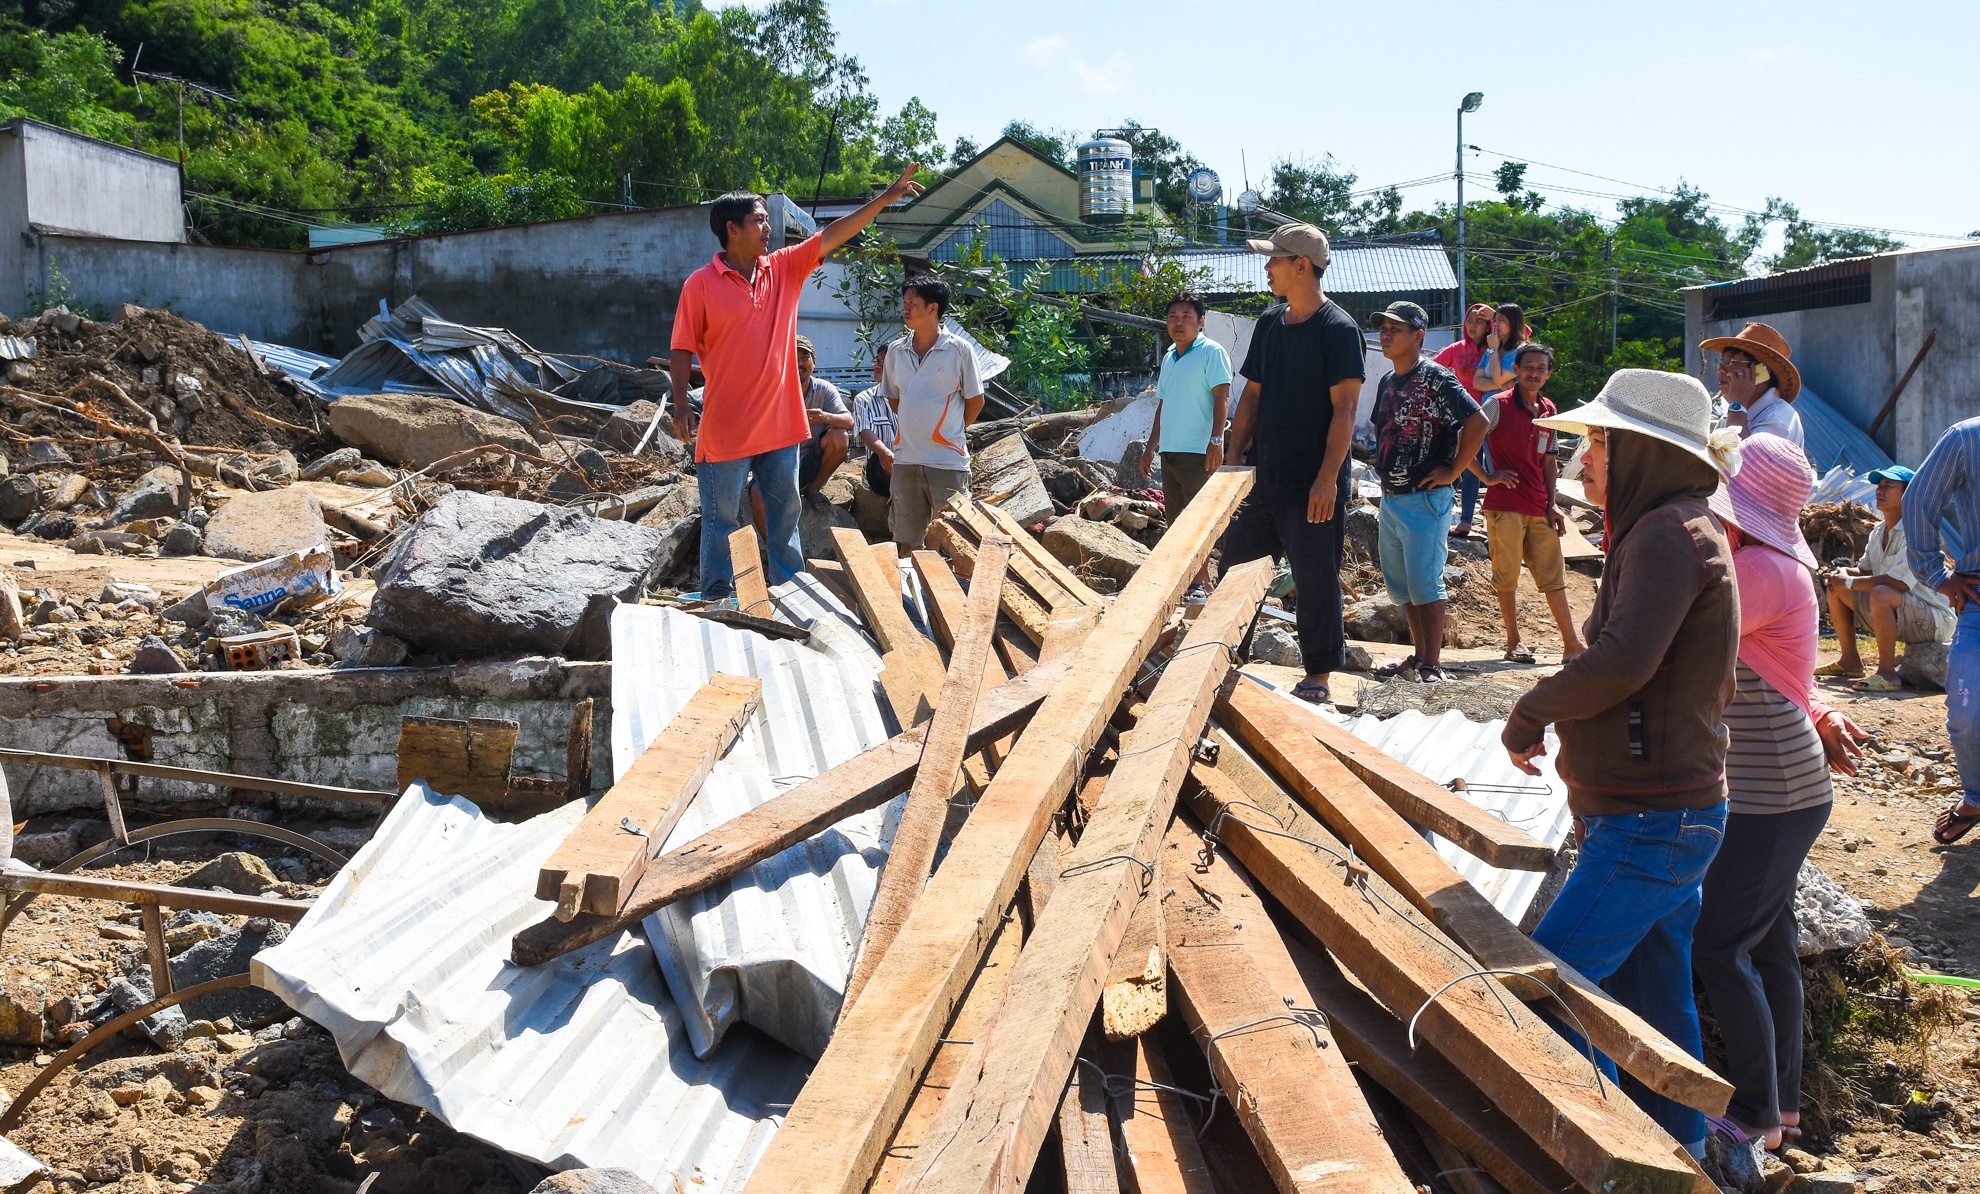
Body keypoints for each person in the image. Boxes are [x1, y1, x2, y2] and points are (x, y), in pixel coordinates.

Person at [1502, 368, 1744, 1159]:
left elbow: (1622, 661)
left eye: (1601, 442)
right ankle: (1683, 1159)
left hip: (1651, 822)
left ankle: (1602, 1161)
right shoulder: (1670, 527)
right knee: (1652, 1010)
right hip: (1658, 814)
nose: (1585, 460)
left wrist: (1532, 709)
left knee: (1554, 992)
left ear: (1643, 451)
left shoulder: (1669, 536)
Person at [1693, 433, 1866, 1174]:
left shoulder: (1756, 569)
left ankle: (1757, 1115)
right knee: (1767, 945)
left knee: (1719, 947)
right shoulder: (1779, 559)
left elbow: (1681, 644)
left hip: (1770, 791)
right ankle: (1782, 1107)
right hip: (1785, 785)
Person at [668, 165, 923, 598]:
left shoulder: (783, 269)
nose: (768, 227)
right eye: (759, 220)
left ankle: (791, 592)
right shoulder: (700, 286)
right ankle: (716, 594)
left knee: (787, 513)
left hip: (779, 427)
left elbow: (832, 234)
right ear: (732, 229)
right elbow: (680, 348)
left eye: (767, 218)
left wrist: (882, 201)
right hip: (726, 428)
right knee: (722, 518)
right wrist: (678, 405)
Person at [1221, 223, 1367, 705]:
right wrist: (1234, 458)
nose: (1267, 268)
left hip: (1313, 485)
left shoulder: (1339, 330)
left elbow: (1345, 410)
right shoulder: (1269, 323)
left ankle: (1319, 675)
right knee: (1236, 566)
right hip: (1266, 476)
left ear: (1301, 266)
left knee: (1314, 577)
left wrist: (1328, 479)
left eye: (1274, 260)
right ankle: (1221, 655)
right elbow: (1252, 395)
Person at [1367, 300, 1487, 684]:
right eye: (1384, 327)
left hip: (1425, 499)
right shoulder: (1388, 381)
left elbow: (1478, 421)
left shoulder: (1436, 378)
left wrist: (1454, 470)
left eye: (1396, 329)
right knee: (1402, 586)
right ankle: (1418, 658)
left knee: (1425, 582)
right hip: (1392, 498)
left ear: (1418, 336)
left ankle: (1432, 663)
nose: (1386, 334)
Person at [1473, 342, 1587, 664]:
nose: (1534, 373)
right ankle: (1514, 642)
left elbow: (1549, 461)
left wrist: (1552, 504)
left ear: (1548, 374)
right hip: (1505, 505)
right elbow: (1464, 439)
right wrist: (1487, 476)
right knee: (1506, 577)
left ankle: (1572, 644)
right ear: (1517, 371)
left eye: (1541, 368)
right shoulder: (1497, 405)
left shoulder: (1549, 410)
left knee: (1554, 577)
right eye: (1528, 367)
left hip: (1539, 506)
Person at [1906, 419, 1980, 845]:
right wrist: (1936, 573)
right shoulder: (1967, 438)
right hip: (1977, 599)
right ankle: (1976, 795)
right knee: (1967, 715)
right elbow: (1919, 499)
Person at [1817, 465, 1955, 691]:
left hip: (1934, 619)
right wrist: (1842, 575)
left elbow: (1898, 583)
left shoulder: (1917, 532)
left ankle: (1888, 674)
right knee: (1837, 586)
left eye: (1889, 486)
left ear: (1908, 495)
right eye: (1879, 486)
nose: (1880, 491)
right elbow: (1866, 572)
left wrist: (1850, 581)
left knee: (1881, 592)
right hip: (1900, 609)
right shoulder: (1879, 531)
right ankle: (1850, 661)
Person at [1139, 292, 1233, 599]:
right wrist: (1150, 447)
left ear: (1201, 321)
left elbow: (1222, 398)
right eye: (1173, 317)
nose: (1179, 323)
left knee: (1198, 520)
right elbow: (1163, 404)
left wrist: (1216, 440)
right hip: (1170, 451)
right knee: (1177, 521)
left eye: (1186, 316)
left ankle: (1199, 582)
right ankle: (1195, 581)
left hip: (1199, 452)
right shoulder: (1169, 357)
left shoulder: (1212, 352)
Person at [882, 275, 984, 553]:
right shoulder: (895, 351)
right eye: (904, 302)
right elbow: (894, 398)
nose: (905, 308)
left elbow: (975, 401)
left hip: (947, 462)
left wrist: (950, 432)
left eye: (912, 303)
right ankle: (910, 596)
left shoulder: (959, 351)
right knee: (905, 537)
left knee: (952, 538)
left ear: (932, 308)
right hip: (906, 460)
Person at [1436, 302, 1494, 538]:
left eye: (1479, 321)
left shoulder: (1496, 348)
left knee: (1496, 469)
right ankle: (1466, 522)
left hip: (1495, 414)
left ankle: (1499, 522)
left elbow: (1524, 333)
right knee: (1469, 467)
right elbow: (1431, 367)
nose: (1472, 325)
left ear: (1489, 325)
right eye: (1470, 320)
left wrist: (1497, 315)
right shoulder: (1457, 349)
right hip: (1468, 418)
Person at [1703, 323, 1803, 449]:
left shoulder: (1778, 418)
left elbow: (1743, 462)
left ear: (1761, 371)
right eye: (1721, 362)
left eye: (1731, 361)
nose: (1720, 370)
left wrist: (1738, 404)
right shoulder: (1735, 412)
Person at [851, 342, 897, 500]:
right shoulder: (864, 399)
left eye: (884, 362)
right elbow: (865, 431)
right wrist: (883, 452)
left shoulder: (912, 397)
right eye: (877, 361)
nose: (877, 365)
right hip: (879, 475)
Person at [1472, 302, 1528, 396]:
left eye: (1500, 320)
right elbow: (1477, 382)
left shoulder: (1520, 351)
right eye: (1495, 320)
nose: (1495, 324)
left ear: (1513, 322)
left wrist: (1494, 350)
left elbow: (1498, 379)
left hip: (1508, 407)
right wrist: (1501, 386)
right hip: (1488, 406)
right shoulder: (1491, 346)